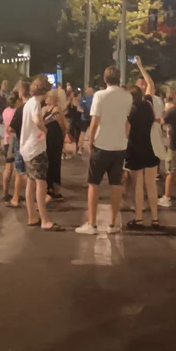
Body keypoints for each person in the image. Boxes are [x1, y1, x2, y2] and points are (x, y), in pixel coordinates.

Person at [76, 67, 132, 234]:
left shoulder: (100, 96)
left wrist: (90, 142)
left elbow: (94, 123)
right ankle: (113, 224)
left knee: (94, 184)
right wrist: (125, 138)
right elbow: (127, 122)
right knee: (116, 184)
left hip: (101, 145)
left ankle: (92, 224)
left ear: (105, 79)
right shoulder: (127, 96)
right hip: (120, 146)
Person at [19, 77, 59, 230]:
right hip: (36, 149)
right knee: (41, 184)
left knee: (30, 182)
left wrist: (43, 122)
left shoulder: (28, 103)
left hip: (27, 149)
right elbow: (36, 121)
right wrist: (45, 129)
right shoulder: (35, 103)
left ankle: (32, 216)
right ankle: (44, 220)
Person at [125, 85, 161, 229]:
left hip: (134, 149)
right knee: (151, 185)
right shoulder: (148, 105)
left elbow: (126, 131)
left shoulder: (130, 110)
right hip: (150, 147)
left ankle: (139, 218)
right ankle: (155, 219)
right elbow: (151, 86)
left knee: (137, 185)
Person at [43, 87, 67, 202]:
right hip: (50, 139)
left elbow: (62, 125)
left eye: (47, 97)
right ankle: (52, 188)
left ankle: (52, 188)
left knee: (53, 163)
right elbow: (62, 125)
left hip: (52, 139)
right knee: (52, 163)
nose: (45, 99)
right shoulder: (47, 109)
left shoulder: (55, 109)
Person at [1, 91, 21, 203]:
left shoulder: (5, 111)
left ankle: (5, 192)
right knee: (18, 169)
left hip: (6, 140)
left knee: (8, 167)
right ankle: (15, 195)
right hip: (15, 140)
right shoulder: (17, 112)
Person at [77, 86, 95, 155]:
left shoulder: (82, 99)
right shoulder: (95, 98)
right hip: (92, 118)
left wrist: (84, 112)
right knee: (92, 133)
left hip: (84, 118)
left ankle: (79, 149)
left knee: (82, 133)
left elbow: (78, 108)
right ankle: (92, 148)